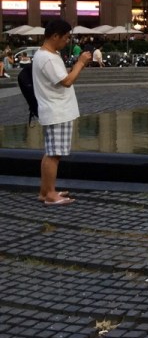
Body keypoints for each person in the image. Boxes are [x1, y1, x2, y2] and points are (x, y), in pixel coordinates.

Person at [33, 19, 92, 206]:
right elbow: (67, 81)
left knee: (51, 152)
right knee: (54, 154)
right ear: (55, 36)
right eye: (66, 37)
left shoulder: (47, 55)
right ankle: (50, 194)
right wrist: (80, 63)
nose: (67, 41)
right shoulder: (48, 58)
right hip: (57, 110)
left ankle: (46, 190)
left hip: (55, 109)